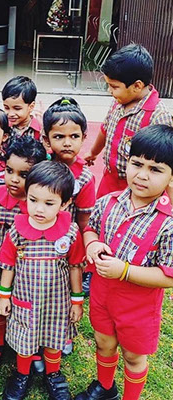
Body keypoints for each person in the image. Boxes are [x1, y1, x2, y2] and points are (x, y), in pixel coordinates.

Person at [75, 125, 173, 400]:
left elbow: (168, 276)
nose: (142, 175)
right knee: (103, 343)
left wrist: (125, 271)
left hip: (139, 308)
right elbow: (90, 228)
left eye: (155, 169)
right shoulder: (108, 202)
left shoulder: (168, 223)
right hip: (102, 295)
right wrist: (92, 243)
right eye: (137, 164)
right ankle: (105, 388)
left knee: (133, 356)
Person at [0, 161, 85, 400]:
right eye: (33, 200)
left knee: (54, 339)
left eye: (49, 203)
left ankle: (53, 374)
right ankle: (22, 374)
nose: (38, 209)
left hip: (57, 301)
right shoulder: (17, 230)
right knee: (25, 339)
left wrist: (77, 301)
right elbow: (8, 265)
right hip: (25, 299)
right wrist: (4, 295)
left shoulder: (70, 232)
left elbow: (75, 266)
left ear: (64, 203)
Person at [0, 135, 47, 371]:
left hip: (28, 272)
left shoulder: (40, 207)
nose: (14, 179)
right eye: (9, 171)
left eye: (23, 174)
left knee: (28, 309)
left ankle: (31, 347)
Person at [83, 44, 173, 198]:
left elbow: (165, 162)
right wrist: (93, 152)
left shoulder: (158, 116)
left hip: (138, 187)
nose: (109, 91)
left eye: (114, 86)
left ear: (137, 86)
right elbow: (105, 129)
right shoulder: (117, 103)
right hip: (109, 179)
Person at [43, 97, 96, 301]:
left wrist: (82, 253)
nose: (67, 143)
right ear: (46, 139)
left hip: (66, 237)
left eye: (74, 136)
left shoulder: (84, 177)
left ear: (83, 137)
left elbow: (84, 220)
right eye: (59, 136)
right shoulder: (39, 165)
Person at [2, 76, 41, 141]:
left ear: (31, 107)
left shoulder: (40, 129)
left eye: (17, 108)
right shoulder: (2, 127)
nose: (10, 114)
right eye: (6, 108)